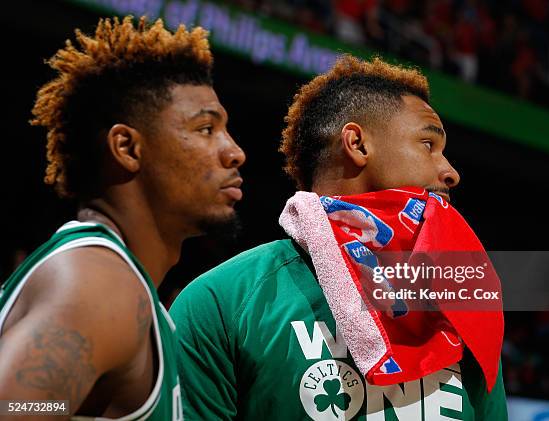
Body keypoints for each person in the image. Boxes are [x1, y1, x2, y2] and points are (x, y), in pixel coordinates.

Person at [170, 55, 507, 420]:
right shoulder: (224, 302)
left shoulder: (463, 303)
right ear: (358, 145)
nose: (450, 172)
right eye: (428, 144)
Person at [0, 16, 245, 420]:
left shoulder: (130, 290)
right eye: (206, 129)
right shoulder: (99, 284)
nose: (234, 152)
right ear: (127, 147)